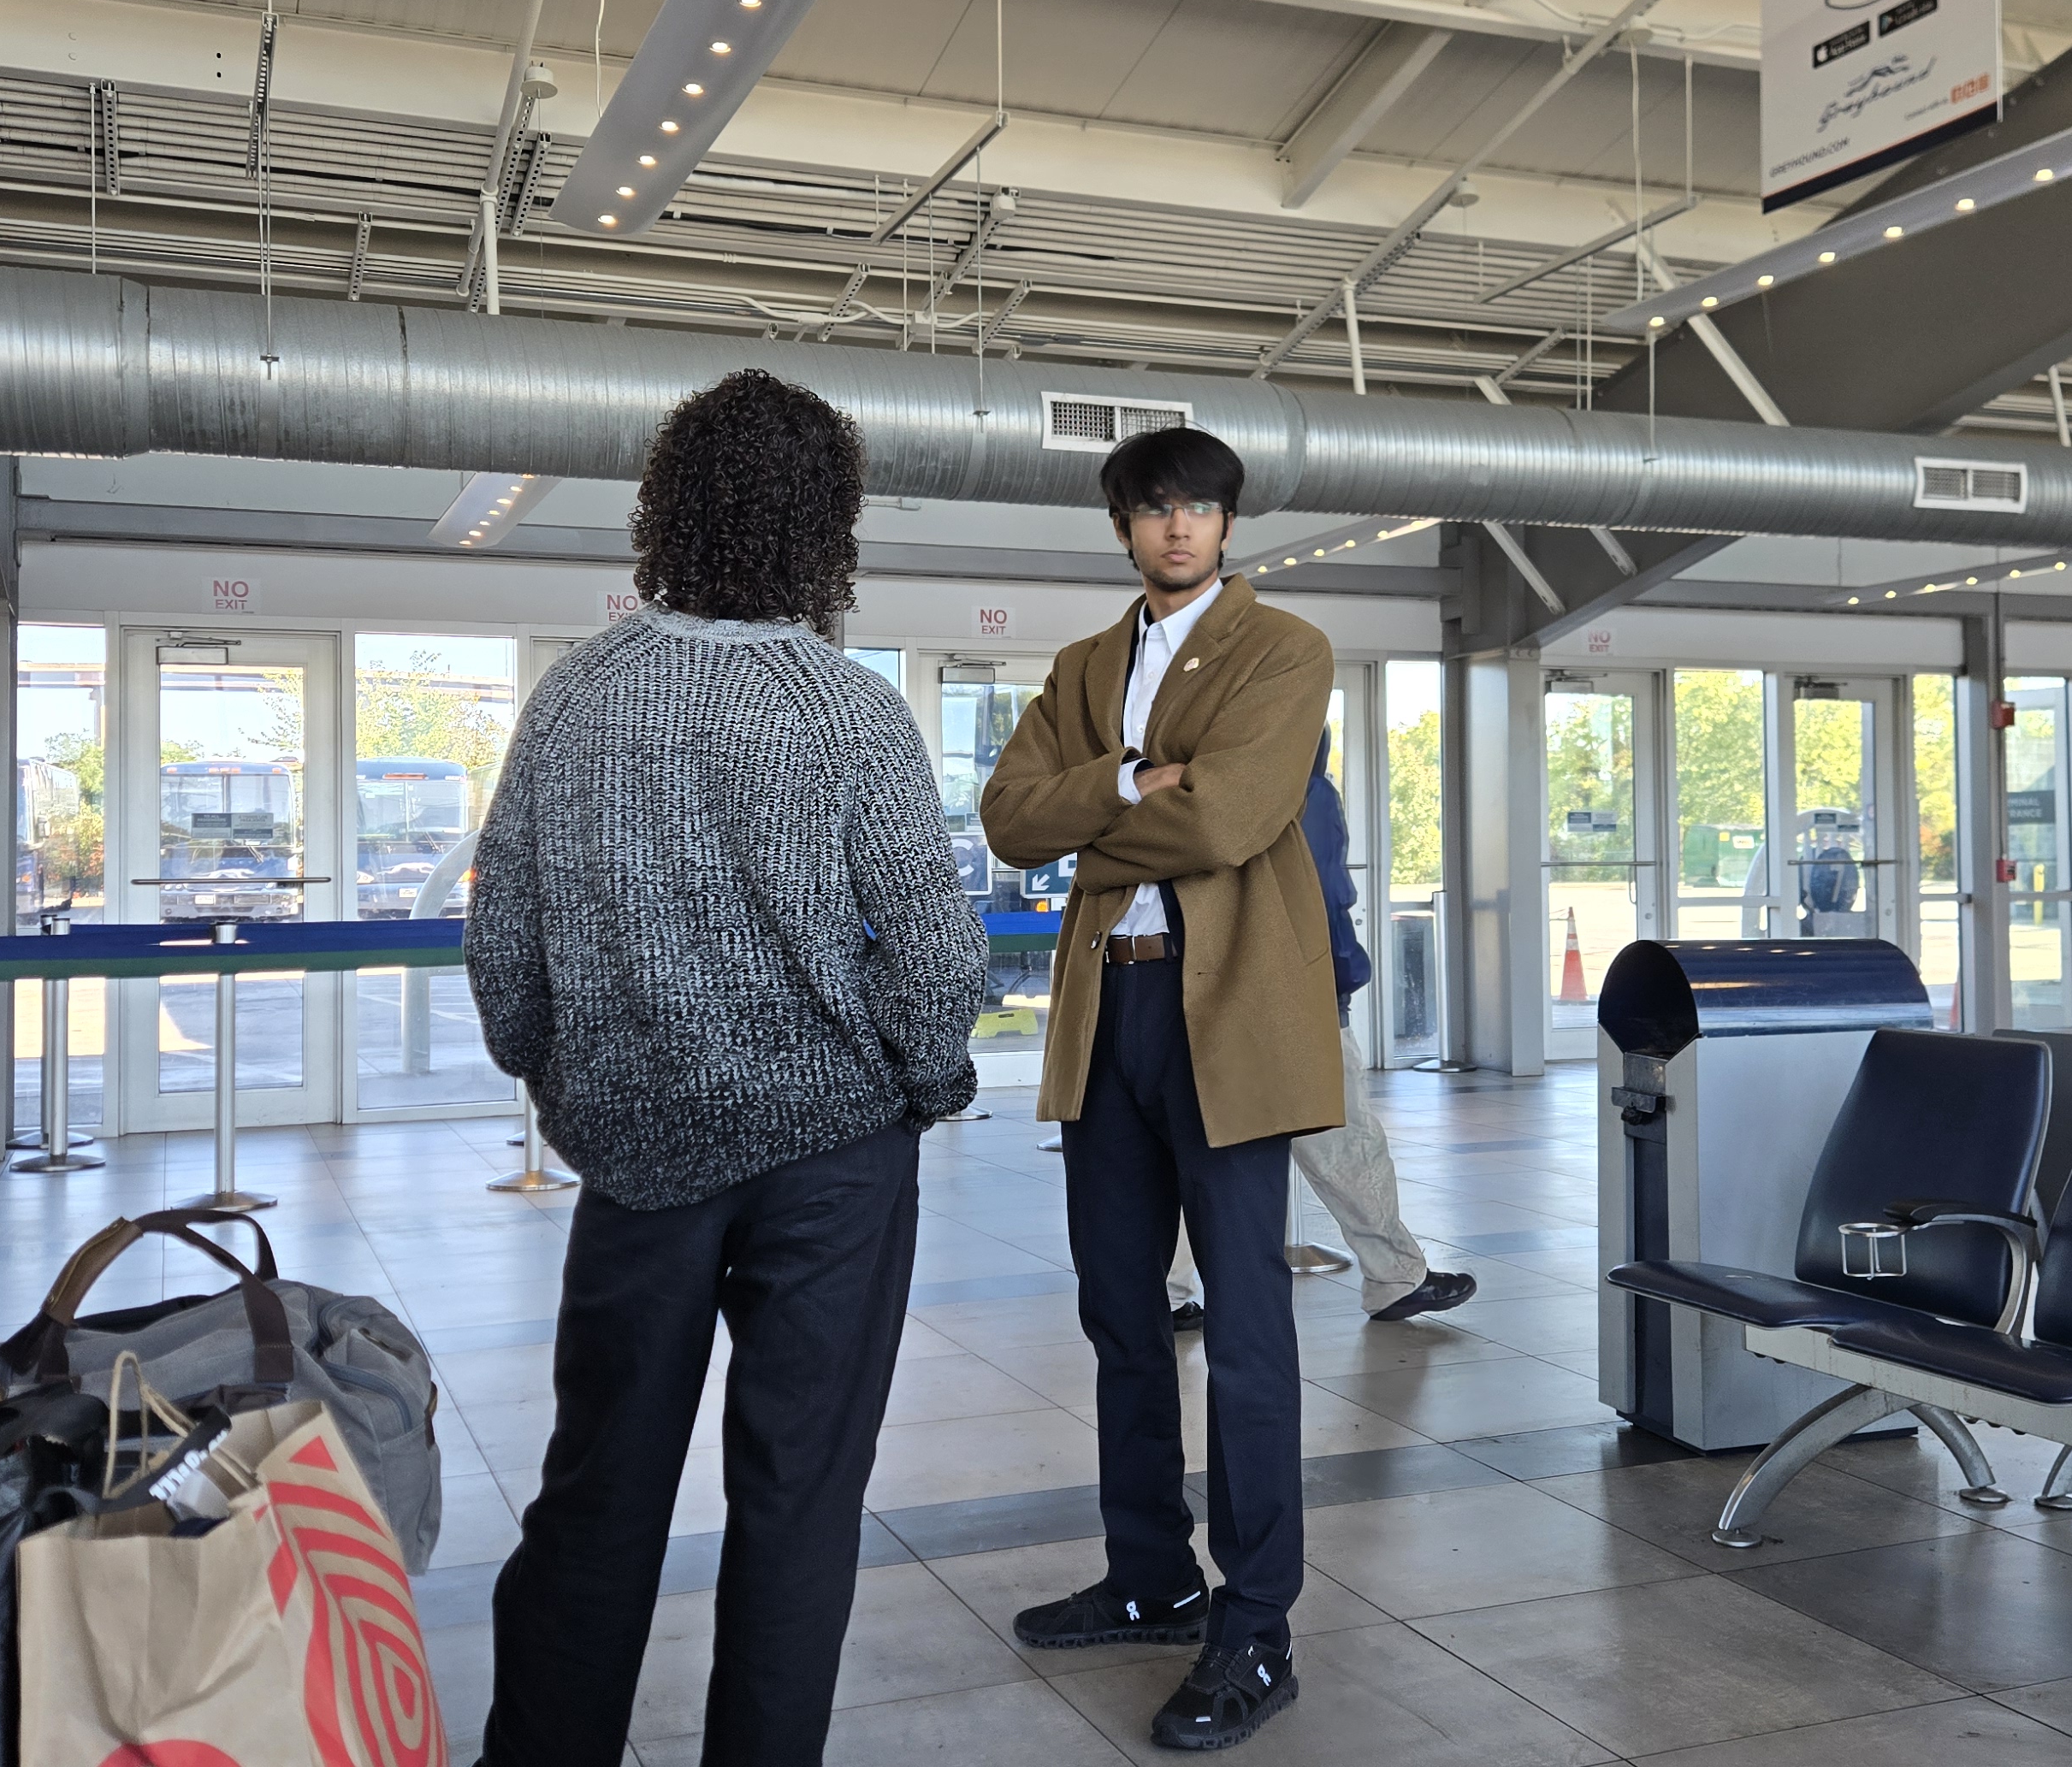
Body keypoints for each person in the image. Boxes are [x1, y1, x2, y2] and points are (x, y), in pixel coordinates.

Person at [467, 368, 985, 1767]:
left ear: (668, 510)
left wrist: (562, 1081)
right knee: (799, 1501)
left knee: (596, 1494)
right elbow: (937, 958)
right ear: (827, 527)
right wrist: (924, 1083)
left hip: (636, 1161)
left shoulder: (573, 699)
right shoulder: (847, 711)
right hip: (834, 1162)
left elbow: (503, 944)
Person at [980, 425, 1335, 1752]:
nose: (1178, 527)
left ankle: (1257, 1624)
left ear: (1229, 525)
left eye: (1199, 508)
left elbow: (1232, 817)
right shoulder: (1083, 669)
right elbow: (1008, 816)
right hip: (1107, 1005)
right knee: (1120, 1311)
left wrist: (1097, 816)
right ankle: (1150, 1575)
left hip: (1225, 1008)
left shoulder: (1283, 649)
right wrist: (1133, 777)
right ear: (1123, 525)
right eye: (1154, 509)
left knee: (1246, 1326)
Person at [1170, 736, 1476, 1324]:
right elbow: (1325, 894)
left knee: (1196, 1144)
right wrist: (1341, 980)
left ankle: (1167, 1293)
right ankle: (1395, 1276)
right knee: (1346, 1140)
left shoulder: (1201, 793)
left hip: (1208, 992)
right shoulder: (1305, 793)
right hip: (1299, 1000)